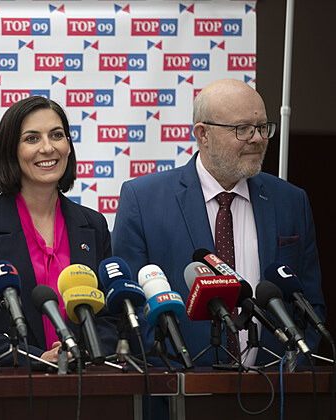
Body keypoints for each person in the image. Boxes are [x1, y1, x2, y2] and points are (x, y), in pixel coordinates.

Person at [112, 78, 325, 369]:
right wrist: (177, 375)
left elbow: (310, 305)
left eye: (262, 127)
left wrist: (290, 372)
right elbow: (131, 308)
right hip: (179, 386)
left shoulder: (291, 201)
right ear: (203, 134)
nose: (257, 138)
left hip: (274, 386)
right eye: (243, 129)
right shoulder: (143, 200)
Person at [0, 96, 117, 366]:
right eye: (32, 139)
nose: (47, 148)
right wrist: (38, 358)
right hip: (5, 383)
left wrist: (80, 352)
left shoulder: (93, 225)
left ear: (69, 146)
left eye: (57, 135)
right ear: (10, 150)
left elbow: (109, 318)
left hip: (82, 380)